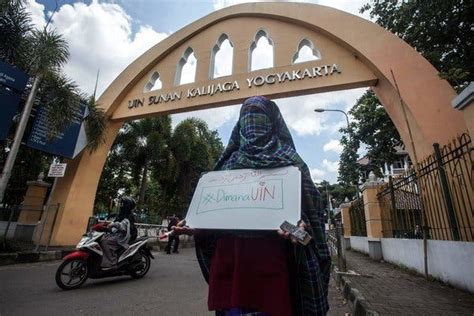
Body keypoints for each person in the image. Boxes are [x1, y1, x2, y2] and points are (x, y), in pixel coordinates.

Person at [175, 96, 331, 315]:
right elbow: (213, 221)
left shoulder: (292, 165)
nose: (253, 124)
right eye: (247, 117)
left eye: (260, 117)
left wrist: (297, 231)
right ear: (240, 124)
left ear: (273, 122)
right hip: (230, 268)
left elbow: (309, 234)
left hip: (275, 267)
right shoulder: (226, 167)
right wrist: (197, 226)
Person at [99, 196, 137, 270]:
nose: (121, 205)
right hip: (118, 234)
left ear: (127, 205)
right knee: (101, 237)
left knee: (105, 242)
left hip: (123, 236)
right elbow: (116, 221)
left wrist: (113, 224)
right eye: (121, 203)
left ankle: (112, 263)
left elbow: (122, 226)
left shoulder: (129, 216)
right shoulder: (122, 214)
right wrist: (106, 224)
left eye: (123, 204)